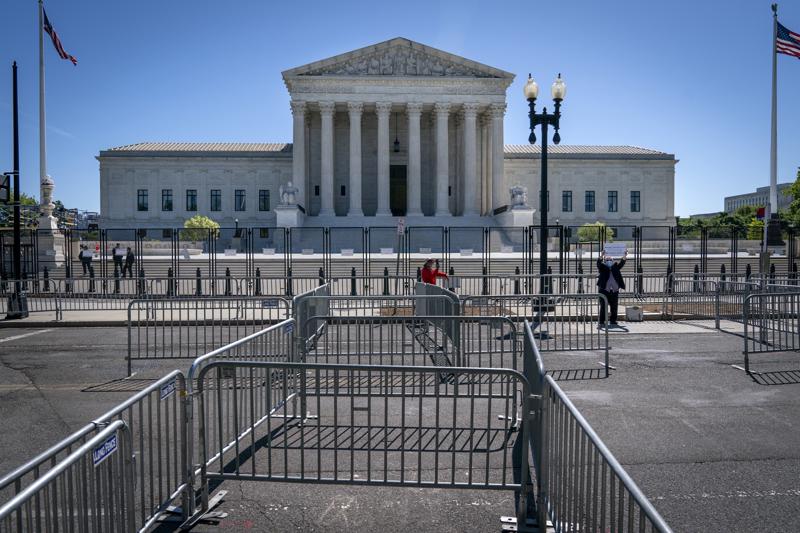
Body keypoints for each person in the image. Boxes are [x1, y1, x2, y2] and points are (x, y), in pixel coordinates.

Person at [596, 249, 627, 326]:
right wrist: (601, 255)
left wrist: (624, 256)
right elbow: (598, 264)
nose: (609, 261)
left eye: (610, 260)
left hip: (614, 290)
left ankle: (613, 320)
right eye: (607, 260)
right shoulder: (602, 267)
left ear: (613, 261)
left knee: (614, 306)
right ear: (605, 261)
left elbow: (621, 263)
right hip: (604, 290)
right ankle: (602, 321)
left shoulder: (615, 266)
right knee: (603, 306)